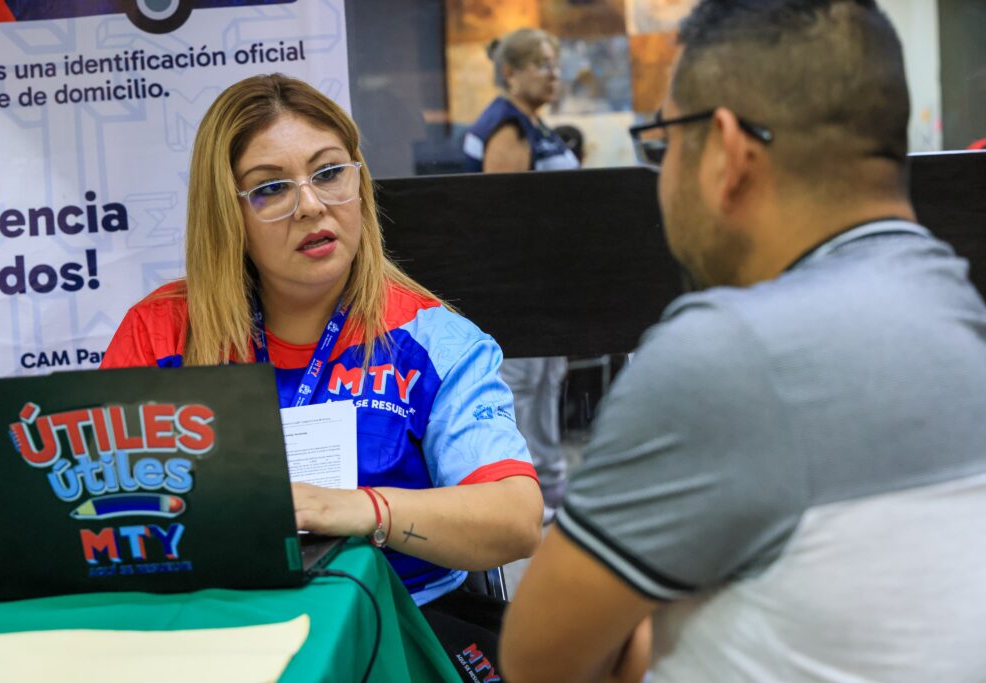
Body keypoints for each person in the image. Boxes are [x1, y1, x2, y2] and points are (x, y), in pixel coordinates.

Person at [500, 2, 986, 682]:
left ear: (727, 151)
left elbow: (538, 660)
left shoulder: (725, 351)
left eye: (665, 143)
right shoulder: (962, 306)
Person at [101, 74, 543, 617]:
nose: (310, 205)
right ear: (227, 214)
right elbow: (96, 513)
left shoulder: (434, 340)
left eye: (329, 173)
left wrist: (358, 510)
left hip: (393, 622)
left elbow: (515, 519)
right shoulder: (161, 331)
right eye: (270, 188)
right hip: (211, 621)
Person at [463, 28, 579, 521]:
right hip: (518, 287)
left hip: (546, 282)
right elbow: (503, 215)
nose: (554, 75)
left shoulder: (535, 123)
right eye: (543, 65)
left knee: (547, 380)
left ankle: (550, 480)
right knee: (523, 386)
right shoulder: (507, 127)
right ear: (511, 72)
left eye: (556, 64)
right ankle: (527, 492)